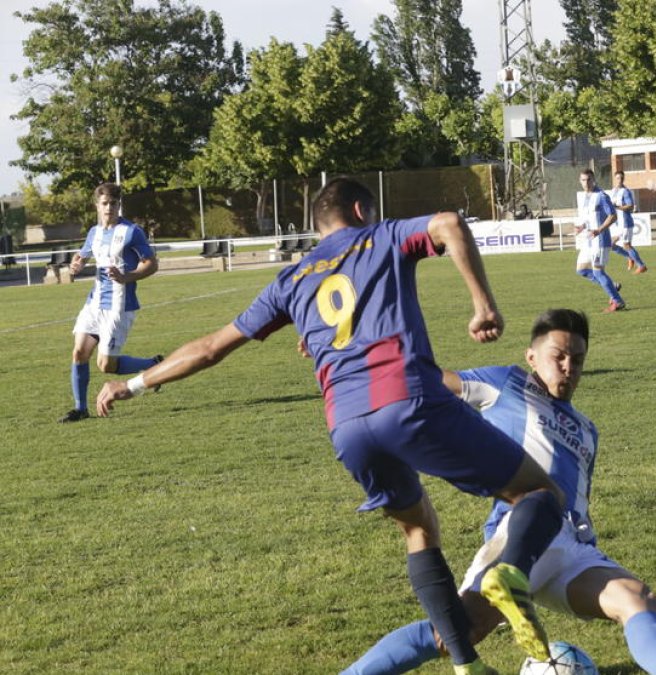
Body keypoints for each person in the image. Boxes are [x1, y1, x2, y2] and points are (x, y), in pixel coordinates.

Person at [96, 177, 568, 675]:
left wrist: (133, 384)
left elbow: (211, 347)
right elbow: (450, 224)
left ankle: (467, 666)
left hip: (346, 425)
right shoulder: (380, 236)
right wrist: (483, 305)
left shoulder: (293, 278)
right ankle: (511, 574)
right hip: (407, 400)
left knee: (418, 529)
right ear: (362, 209)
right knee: (540, 494)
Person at [342, 309, 656, 675]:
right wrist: (364, 357)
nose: (568, 366)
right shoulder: (505, 384)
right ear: (532, 357)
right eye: (558, 356)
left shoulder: (588, 430)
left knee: (637, 598)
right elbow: (429, 383)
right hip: (519, 533)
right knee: (453, 634)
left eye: (577, 359)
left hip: (569, 545)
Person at [59, 182, 161, 423]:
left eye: (113, 204)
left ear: (118, 205)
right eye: (104, 204)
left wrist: (128, 277)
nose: (109, 208)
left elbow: (151, 263)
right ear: (97, 205)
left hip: (119, 305)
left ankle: (154, 365)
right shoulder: (94, 232)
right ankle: (80, 409)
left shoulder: (131, 231)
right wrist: (77, 264)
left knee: (106, 365)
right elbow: (82, 255)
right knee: (78, 352)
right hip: (94, 303)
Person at [576, 169, 626, 312]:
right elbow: (589, 218)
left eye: (589, 180)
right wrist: (582, 226)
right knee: (581, 270)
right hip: (589, 240)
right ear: (580, 181)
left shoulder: (601, 196)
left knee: (598, 272)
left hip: (600, 240)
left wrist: (599, 230)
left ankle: (618, 301)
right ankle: (612, 287)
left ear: (594, 180)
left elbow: (613, 216)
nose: (586, 183)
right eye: (583, 180)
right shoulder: (586, 197)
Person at [609, 171, 649, 274]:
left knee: (626, 245)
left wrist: (617, 207)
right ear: (614, 179)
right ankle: (630, 257)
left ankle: (641, 265)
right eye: (618, 178)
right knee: (610, 245)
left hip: (625, 223)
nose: (620, 180)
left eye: (621, 178)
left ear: (623, 179)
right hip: (617, 223)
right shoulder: (613, 191)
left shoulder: (625, 191)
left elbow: (630, 206)